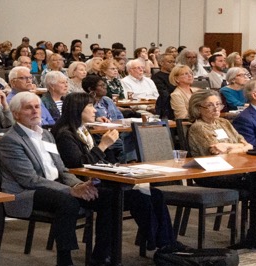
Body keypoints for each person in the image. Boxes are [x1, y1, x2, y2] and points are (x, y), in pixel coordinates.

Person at [52, 92, 181, 254]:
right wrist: (103, 145)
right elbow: (78, 164)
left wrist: (118, 167)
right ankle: (161, 245)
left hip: (98, 180)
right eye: (90, 106)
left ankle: (166, 243)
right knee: (140, 197)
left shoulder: (82, 130)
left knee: (155, 194)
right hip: (83, 187)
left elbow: (95, 162)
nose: (95, 111)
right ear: (78, 109)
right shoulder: (65, 134)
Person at [0, 92, 99, 266]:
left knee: (104, 194)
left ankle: (103, 255)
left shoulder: (47, 134)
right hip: (25, 193)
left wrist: (80, 185)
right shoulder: (11, 141)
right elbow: (29, 179)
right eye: (29, 107)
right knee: (67, 201)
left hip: (53, 186)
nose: (35, 111)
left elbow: (62, 170)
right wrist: (70, 191)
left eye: (37, 106)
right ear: (17, 114)